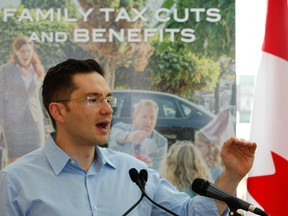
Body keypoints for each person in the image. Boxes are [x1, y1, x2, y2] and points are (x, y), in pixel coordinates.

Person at [0, 59, 257, 216]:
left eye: (109, 100)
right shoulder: (16, 181)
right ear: (58, 111)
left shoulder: (135, 174)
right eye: (93, 100)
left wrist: (232, 174)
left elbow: (191, 214)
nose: (108, 109)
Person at [0, 36, 48, 165]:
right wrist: (3, 122)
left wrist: (48, 122)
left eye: (29, 51)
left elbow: (42, 98)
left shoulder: (38, 70)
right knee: (13, 162)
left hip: (35, 124)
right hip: (13, 124)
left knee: (37, 161)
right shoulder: (6, 70)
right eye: (22, 51)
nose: (26, 54)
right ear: (16, 52)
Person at [108, 99, 168, 171]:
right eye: (144, 116)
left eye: (152, 117)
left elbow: (156, 171)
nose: (148, 121)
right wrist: (130, 137)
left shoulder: (161, 142)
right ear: (134, 118)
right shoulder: (119, 127)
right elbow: (114, 137)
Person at [194, 106, 235, 181]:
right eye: (195, 144)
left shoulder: (216, 171)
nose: (196, 148)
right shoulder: (199, 165)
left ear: (210, 146)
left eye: (200, 146)